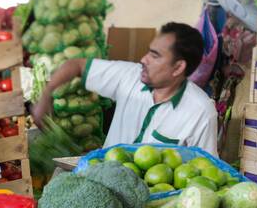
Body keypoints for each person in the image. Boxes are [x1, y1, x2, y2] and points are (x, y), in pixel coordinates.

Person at [30, 21, 218, 156]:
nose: (143, 59)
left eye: (155, 55)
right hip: (105, 184)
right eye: (148, 51)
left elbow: (206, 167)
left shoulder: (200, 112)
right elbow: (76, 65)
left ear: (178, 67)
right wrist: (46, 96)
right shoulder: (129, 76)